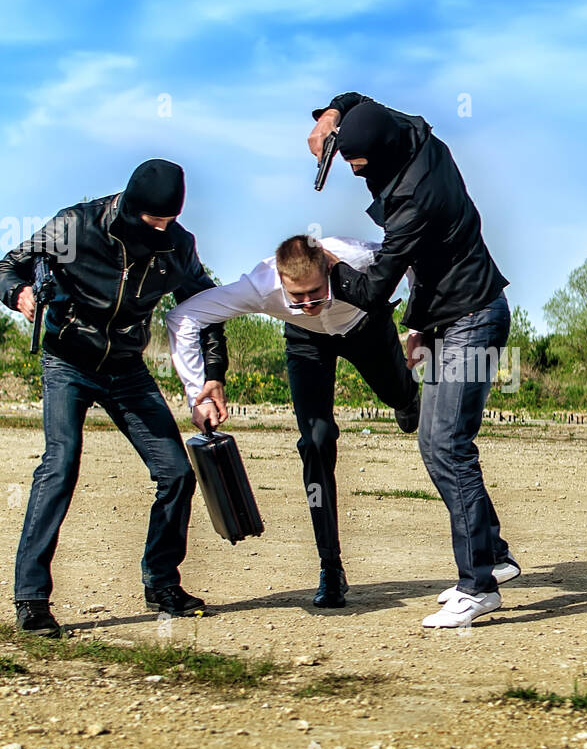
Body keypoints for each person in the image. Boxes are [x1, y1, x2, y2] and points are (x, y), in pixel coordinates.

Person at [0, 159, 228, 637]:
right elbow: (4, 268)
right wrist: (19, 294)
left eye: (168, 222)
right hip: (68, 360)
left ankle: (162, 584)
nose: (161, 230)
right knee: (60, 465)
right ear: (130, 207)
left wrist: (212, 377)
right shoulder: (76, 225)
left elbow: (206, 308)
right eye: (152, 221)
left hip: (126, 367)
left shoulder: (178, 246)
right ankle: (32, 599)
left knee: (177, 473)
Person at [307, 92, 518, 628]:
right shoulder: (415, 134)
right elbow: (358, 101)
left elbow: (376, 290)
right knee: (432, 439)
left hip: (474, 319)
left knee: (449, 444)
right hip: (452, 316)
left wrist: (329, 268)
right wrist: (331, 118)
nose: (353, 172)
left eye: (357, 164)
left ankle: (479, 586)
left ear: (379, 153)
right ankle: (491, 552)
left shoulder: (414, 199)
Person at [166, 234, 419, 608]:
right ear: (281, 282)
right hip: (307, 344)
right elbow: (183, 316)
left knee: (403, 402)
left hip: (366, 328)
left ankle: (406, 398)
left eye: (316, 293)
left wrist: (416, 326)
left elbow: (415, 257)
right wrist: (197, 388)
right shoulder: (260, 284)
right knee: (315, 443)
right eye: (296, 297)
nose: (308, 303)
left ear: (330, 268)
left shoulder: (359, 257)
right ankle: (330, 566)